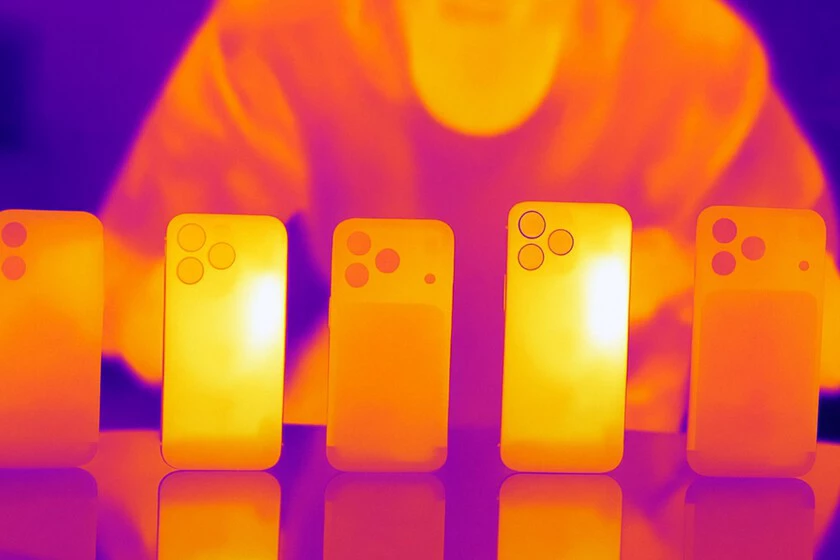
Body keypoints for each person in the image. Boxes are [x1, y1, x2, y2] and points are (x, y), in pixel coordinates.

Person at [100, 0, 840, 437]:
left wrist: (696, 288)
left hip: (620, 488)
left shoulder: (692, 56)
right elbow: (122, 283)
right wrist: (183, 334)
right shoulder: (279, 35)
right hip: (356, 470)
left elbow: (825, 335)